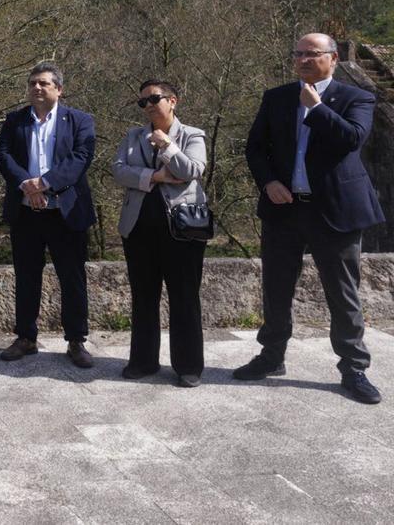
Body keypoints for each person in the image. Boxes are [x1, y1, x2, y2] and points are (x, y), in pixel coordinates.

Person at [235, 32, 384, 404]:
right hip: (284, 208)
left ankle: (354, 367)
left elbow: (352, 139)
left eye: (311, 54)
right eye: (297, 53)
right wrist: (268, 181)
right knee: (276, 288)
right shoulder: (277, 97)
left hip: (334, 210)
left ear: (332, 59)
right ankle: (272, 356)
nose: (302, 59)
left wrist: (317, 109)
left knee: (342, 292)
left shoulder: (357, 97)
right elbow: (255, 148)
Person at [0, 62, 97, 369]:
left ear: (59, 89)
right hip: (26, 212)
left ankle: (76, 341)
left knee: (72, 278)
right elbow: (4, 156)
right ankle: (26, 337)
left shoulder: (79, 120)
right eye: (32, 83)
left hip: (65, 212)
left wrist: (45, 182)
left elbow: (81, 158)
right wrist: (28, 185)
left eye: (43, 83)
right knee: (27, 277)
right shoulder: (15, 120)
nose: (36, 88)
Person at [112, 80, 207, 387]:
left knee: (185, 297)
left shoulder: (192, 134)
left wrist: (167, 145)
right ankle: (143, 361)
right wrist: (155, 176)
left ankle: (188, 366)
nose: (149, 105)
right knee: (143, 297)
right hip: (138, 227)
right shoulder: (132, 136)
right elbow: (118, 170)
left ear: (173, 101)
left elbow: (192, 170)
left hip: (182, 229)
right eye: (143, 102)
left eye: (155, 99)